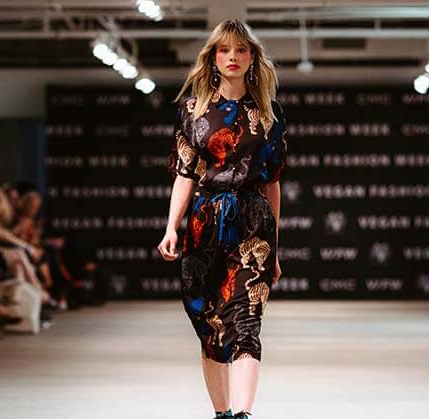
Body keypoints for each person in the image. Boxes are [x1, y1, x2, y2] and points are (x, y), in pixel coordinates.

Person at [157, 19, 287, 419]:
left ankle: (244, 415)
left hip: (253, 223)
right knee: (208, 321)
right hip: (205, 222)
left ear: (252, 57)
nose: (233, 57)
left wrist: (274, 248)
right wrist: (171, 227)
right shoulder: (192, 110)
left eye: (241, 49)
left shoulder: (269, 113)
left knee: (247, 320)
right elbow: (185, 173)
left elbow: (272, 183)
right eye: (224, 49)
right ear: (212, 57)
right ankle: (222, 414)